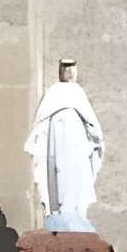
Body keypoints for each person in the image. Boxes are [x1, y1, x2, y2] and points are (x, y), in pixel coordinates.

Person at [28, 57, 105, 232]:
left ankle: (69, 214)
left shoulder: (56, 93)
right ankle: (65, 215)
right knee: (62, 174)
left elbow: (39, 124)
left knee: (69, 174)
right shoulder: (70, 93)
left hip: (71, 143)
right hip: (63, 144)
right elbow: (93, 128)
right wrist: (98, 142)